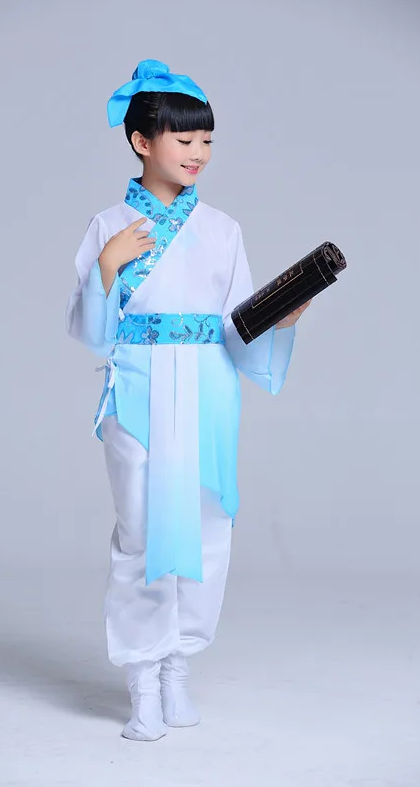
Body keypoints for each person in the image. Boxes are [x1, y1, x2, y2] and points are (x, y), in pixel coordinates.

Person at [65, 59, 310, 742]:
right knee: (142, 530)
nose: (198, 152)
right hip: (139, 389)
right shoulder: (109, 224)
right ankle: (142, 681)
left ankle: (178, 668)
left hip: (208, 388)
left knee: (207, 526)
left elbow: (237, 329)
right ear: (142, 142)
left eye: (206, 140)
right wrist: (108, 265)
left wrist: (281, 317)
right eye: (184, 139)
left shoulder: (223, 229)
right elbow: (90, 332)